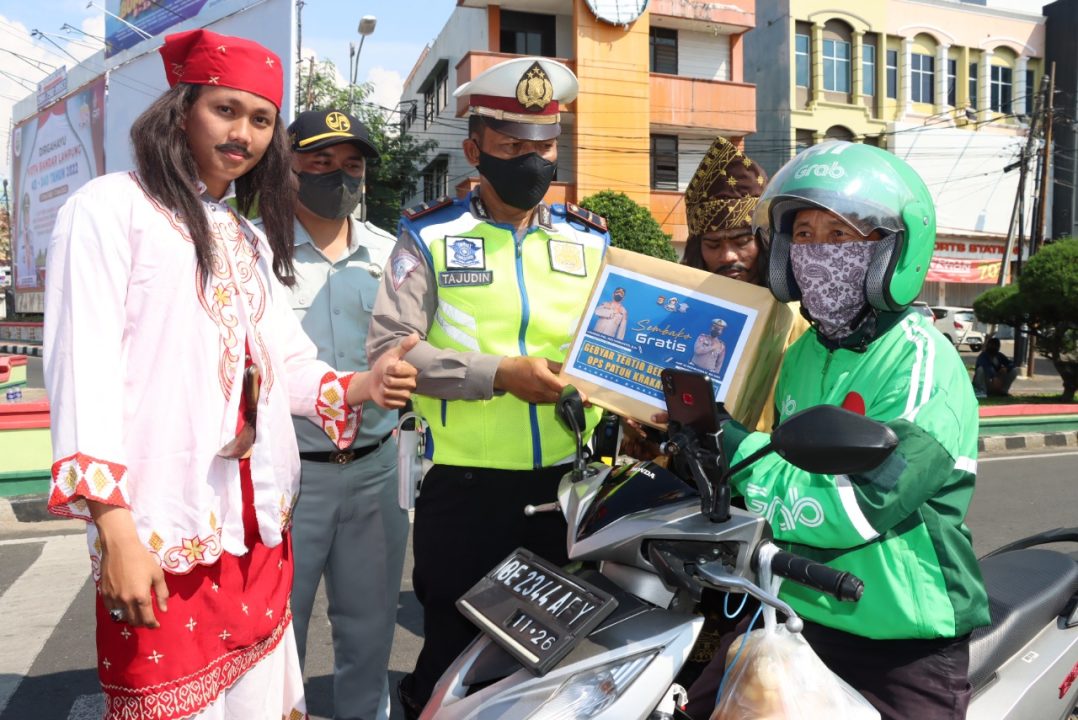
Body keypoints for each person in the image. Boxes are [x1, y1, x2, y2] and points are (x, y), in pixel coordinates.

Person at [43, 30, 417, 720]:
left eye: (261, 119)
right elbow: (81, 371)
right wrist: (115, 529)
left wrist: (365, 384)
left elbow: (286, 363)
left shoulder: (242, 236)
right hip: (162, 531)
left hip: (257, 535)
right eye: (226, 110)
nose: (242, 132)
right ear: (181, 110)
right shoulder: (108, 210)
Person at [691, 141, 990, 720]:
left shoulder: (921, 360)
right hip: (802, 612)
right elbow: (789, 469)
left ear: (892, 250)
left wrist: (739, 448)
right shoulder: (802, 354)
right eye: (802, 236)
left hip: (902, 637)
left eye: (840, 235)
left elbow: (866, 500)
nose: (817, 253)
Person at [366, 56, 610, 718]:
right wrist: (498, 375)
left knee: (550, 668)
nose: (532, 161)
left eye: (544, 146)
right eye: (512, 146)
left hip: (567, 491)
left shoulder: (591, 241)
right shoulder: (430, 235)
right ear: (476, 149)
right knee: (453, 662)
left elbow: (619, 347)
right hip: (467, 492)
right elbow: (392, 351)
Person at [282, 109, 407, 720]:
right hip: (288, 478)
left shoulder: (392, 256)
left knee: (369, 632)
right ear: (289, 167)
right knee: (276, 637)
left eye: (351, 165)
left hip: (375, 471)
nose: (338, 177)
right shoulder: (252, 252)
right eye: (320, 163)